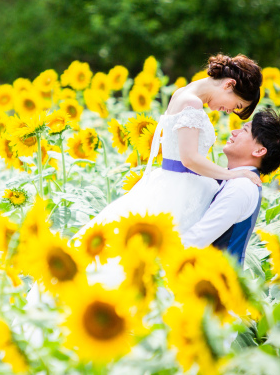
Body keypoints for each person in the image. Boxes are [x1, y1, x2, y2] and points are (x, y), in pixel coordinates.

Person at [77, 53, 263, 237]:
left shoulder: (181, 93)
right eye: (236, 105)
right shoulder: (192, 102)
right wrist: (233, 174)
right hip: (179, 192)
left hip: (169, 182)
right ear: (229, 84)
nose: (230, 111)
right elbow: (189, 159)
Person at [181, 108, 280, 265]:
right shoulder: (233, 178)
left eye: (244, 130)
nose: (234, 132)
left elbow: (198, 238)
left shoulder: (241, 187)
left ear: (259, 150)